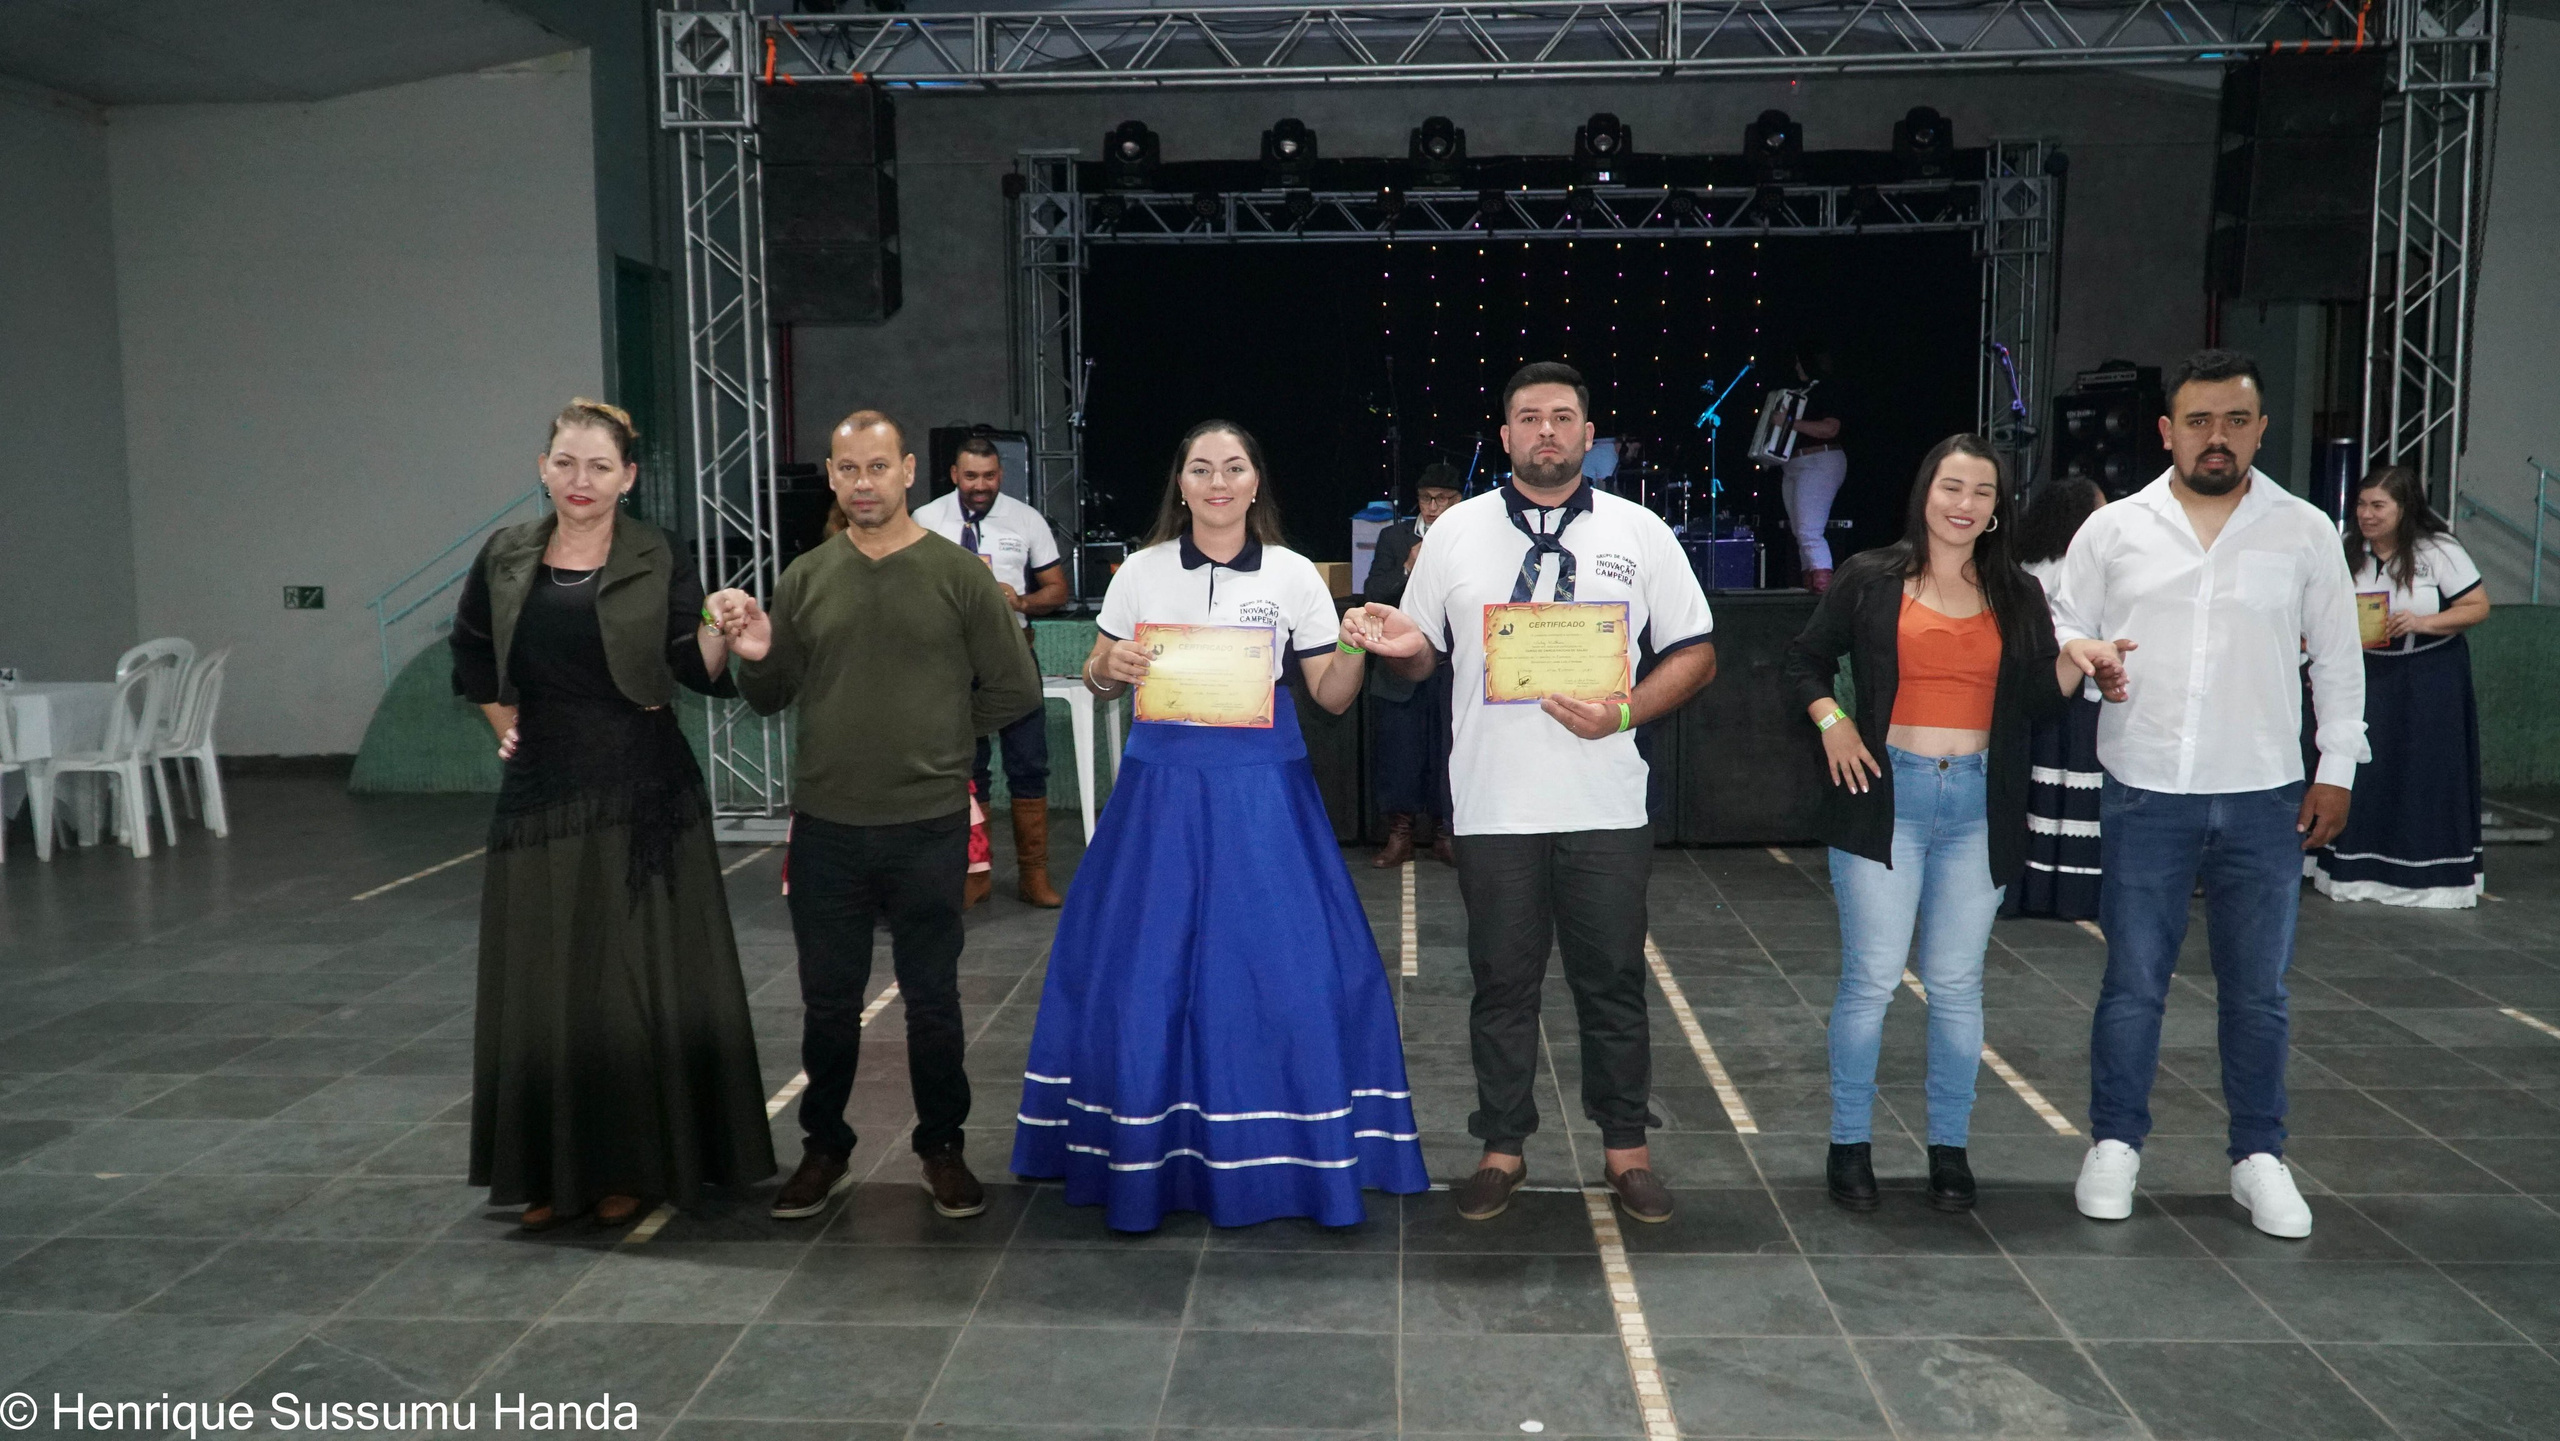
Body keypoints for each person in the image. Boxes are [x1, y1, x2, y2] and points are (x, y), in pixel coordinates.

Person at [1010, 420, 1428, 1232]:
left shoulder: (1295, 574)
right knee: (1142, 972)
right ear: (1182, 483)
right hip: (1159, 794)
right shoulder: (1140, 571)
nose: (1218, 482)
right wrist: (1108, 668)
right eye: (1201, 468)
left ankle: (1285, 1148)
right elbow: (1099, 675)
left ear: (1255, 482)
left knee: (1283, 970)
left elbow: (1332, 697)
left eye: (1233, 467)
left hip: (1264, 797)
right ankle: (1147, 1147)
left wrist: (1356, 645)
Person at [1357, 362, 1719, 1225]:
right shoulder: (1454, 534)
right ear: (1507, 434)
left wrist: (1623, 711)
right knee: (1502, 984)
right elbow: (1421, 654)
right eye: (1529, 418)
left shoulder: (1642, 532)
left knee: (1614, 983)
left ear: (1589, 438)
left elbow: (1697, 651)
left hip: (1605, 802)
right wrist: (1390, 639)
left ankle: (1627, 1152)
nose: (1547, 431)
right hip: (1493, 804)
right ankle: (1501, 1148)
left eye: (1563, 418)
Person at [2051, 349, 2367, 1240]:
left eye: (2235, 421)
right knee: (2132, 983)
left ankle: (2259, 1156)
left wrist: (2336, 766)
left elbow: (2337, 662)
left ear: (2262, 429)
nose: (2216, 437)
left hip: (2265, 795)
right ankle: (2114, 1143)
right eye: (2198, 421)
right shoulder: (2114, 531)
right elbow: (2064, 619)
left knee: (2258, 991)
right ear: (2167, 431)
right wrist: (2087, 655)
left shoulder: (2304, 531)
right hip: (2146, 790)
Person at [706, 410, 1043, 1222]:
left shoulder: (957, 575)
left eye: (878, 467)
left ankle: (943, 1147)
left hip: (927, 822)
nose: (864, 482)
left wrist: (941, 737)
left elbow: (1015, 687)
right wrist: (752, 650)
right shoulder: (807, 576)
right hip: (827, 828)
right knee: (827, 1002)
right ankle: (824, 1146)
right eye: (848, 469)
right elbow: (769, 691)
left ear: (906, 476)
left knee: (932, 999)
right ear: (831, 475)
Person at [450, 399, 775, 1231]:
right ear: (543, 467)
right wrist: (506, 727)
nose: (580, 480)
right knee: (547, 985)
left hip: (643, 792)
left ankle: (633, 1166)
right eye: (565, 462)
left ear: (628, 477)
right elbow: (474, 656)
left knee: (628, 985)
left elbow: (690, 668)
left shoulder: (657, 553)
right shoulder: (507, 555)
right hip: (541, 798)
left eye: (599, 466)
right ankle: (556, 1170)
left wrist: (719, 627)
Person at [1783, 437, 2130, 1215]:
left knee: (1955, 984)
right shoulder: (1869, 578)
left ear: (1997, 508)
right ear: (1926, 493)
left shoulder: (2014, 592)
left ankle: (1949, 1149)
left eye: (1982, 491)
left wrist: (2080, 660)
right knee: (1871, 980)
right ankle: (1849, 1144)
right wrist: (1832, 719)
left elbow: (2039, 702)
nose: (1965, 503)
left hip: (1978, 804)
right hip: (1885, 798)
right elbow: (1801, 660)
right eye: (1951, 486)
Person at [2311, 465, 2490, 907]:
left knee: (2424, 771)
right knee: (2365, 771)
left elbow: (2477, 606)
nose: (2366, 515)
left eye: (2378, 506)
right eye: (2361, 505)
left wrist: (2423, 622)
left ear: (2404, 508)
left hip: (2429, 676)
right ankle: (2354, 870)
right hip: (2367, 674)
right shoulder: (2347, 551)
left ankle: (2430, 877)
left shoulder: (2439, 551)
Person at [913, 436, 1071, 907]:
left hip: (1013, 656)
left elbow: (1058, 590)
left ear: (1000, 475)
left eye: (989, 476)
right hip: (951, 660)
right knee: (967, 767)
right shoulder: (925, 520)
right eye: (970, 476)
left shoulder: (1027, 520)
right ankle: (973, 874)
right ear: (954, 476)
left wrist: (1020, 601)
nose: (980, 486)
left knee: (1029, 765)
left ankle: (1033, 877)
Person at [2008, 477, 2111, 920]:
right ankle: (2072, 893)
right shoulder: (2079, 567)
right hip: (2076, 691)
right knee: (2077, 794)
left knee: (2040, 795)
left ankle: (2030, 888)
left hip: (2032, 694)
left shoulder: (2024, 563)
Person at [1361, 463, 1463, 866]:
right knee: (1398, 750)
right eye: (1426, 498)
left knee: (1448, 749)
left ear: (1460, 501)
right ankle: (1399, 835)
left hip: (1451, 662)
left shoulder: (1469, 537)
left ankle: (1445, 834)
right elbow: (1371, 593)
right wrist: (1408, 565)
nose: (1434, 507)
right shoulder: (1393, 537)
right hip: (1400, 662)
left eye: (1444, 499)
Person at [1782, 343, 1848, 594]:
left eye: (1801, 362)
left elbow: (1829, 429)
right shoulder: (1799, 392)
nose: (1797, 367)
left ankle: (1823, 592)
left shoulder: (1827, 390)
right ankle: (1812, 588)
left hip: (1820, 460)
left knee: (1809, 531)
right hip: (1795, 464)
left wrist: (1789, 423)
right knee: (1801, 532)